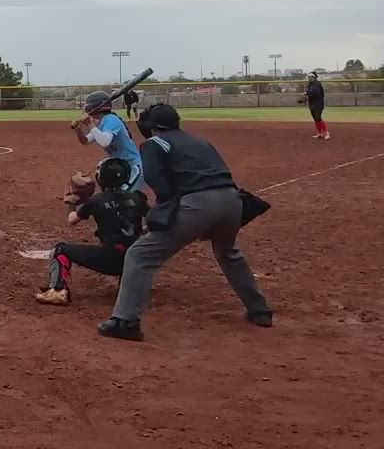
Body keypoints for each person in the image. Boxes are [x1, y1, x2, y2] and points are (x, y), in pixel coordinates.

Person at [97, 104, 272, 342]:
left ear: (152, 126)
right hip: (233, 202)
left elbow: (160, 185)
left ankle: (125, 321)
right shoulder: (201, 142)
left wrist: (161, 218)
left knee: (140, 255)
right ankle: (260, 310)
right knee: (228, 252)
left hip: (197, 205)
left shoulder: (153, 143)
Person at [35, 158, 148, 306]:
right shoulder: (138, 197)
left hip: (111, 260)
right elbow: (153, 221)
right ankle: (133, 283)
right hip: (136, 260)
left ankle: (57, 290)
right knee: (129, 246)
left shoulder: (96, 200)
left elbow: (72, 220)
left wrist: (71, 203)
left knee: (60, 249)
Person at [72, 90, 145, 193]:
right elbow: (85, 141)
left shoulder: (111, 119)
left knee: (123, 196)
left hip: (134, 168)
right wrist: (78, 130)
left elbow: (105, 142)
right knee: (103, 171)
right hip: (120, 167)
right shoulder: (101, 123)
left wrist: (90, 124)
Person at [301, 72, 330, 140]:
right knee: (315, 119)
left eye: (309, 77)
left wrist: (308, 94)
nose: (308, 78)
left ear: (313, 77)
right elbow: (309, 91)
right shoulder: (310, 84)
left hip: (318, 104)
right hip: (312, 103)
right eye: (308, 77)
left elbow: (316, 93)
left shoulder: (317, 83)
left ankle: (326, 133)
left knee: (318, 118)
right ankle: (319, 133)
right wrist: (306, 93)